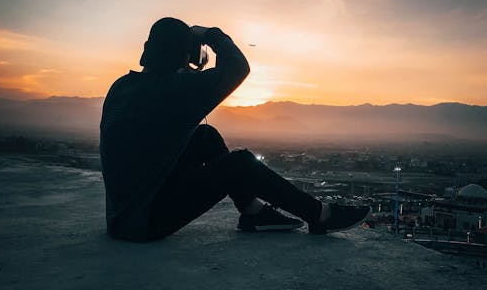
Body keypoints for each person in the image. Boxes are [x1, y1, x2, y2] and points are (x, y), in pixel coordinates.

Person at [100, 17, 370, 242]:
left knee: (205, 137)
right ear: (186, 55)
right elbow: (238, 67)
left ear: (148, 49)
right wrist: (211, 35)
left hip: (122, 216)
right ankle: (320, 215)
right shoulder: (178, 90)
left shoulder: (122, 86)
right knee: (240, 163)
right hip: (145, 223)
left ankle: (253, 212)